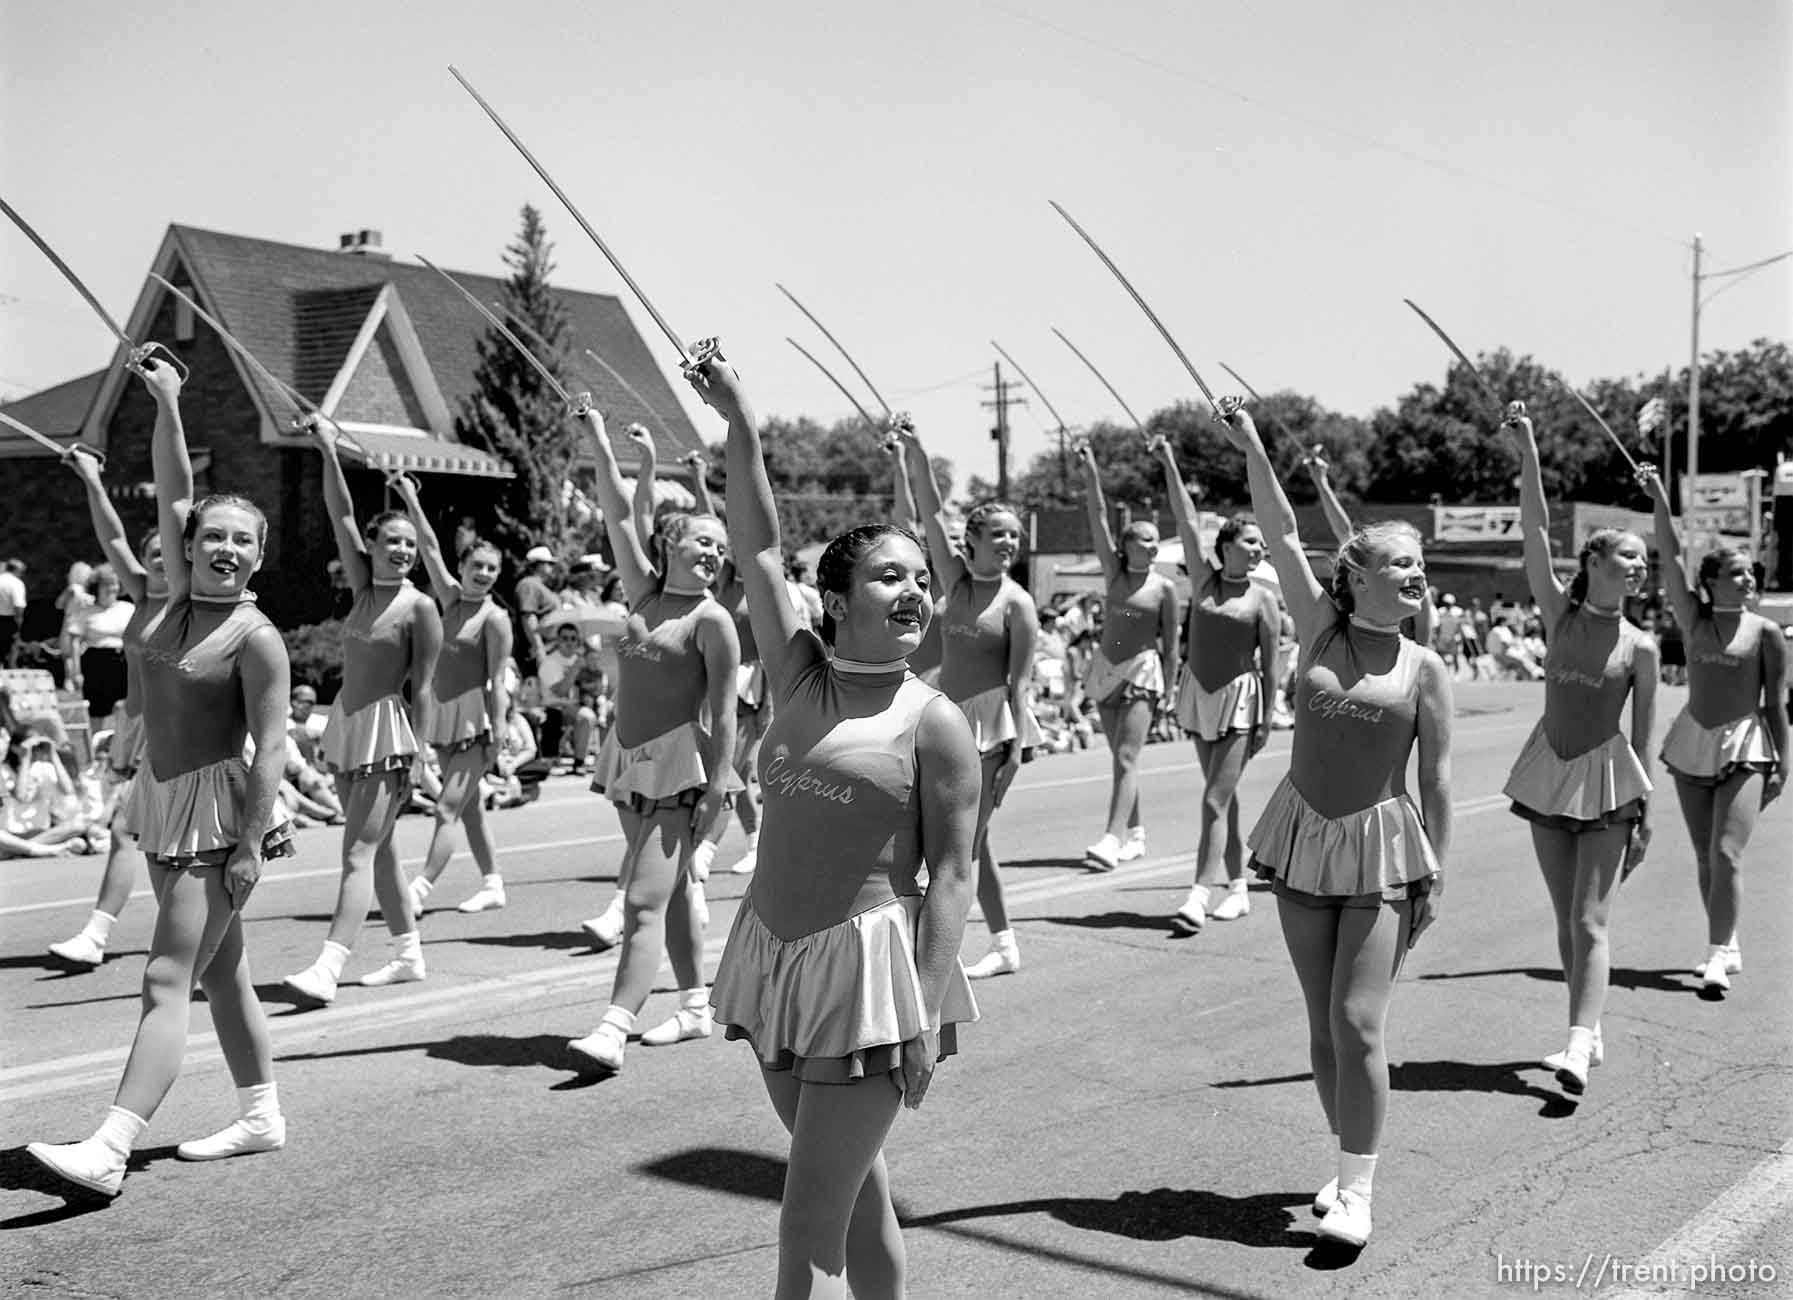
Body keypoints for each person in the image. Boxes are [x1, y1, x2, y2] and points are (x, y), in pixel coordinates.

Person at [688, 343, 978, 1299]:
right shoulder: (798, 676)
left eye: (919, 580)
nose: (912, 594)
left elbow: (955, 877)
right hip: (773, 953)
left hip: (865, 975)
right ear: (838, 598)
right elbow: (758, 546)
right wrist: (742, 421)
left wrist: (928, 1014)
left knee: (807, 1216)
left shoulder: (932, 723)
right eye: (890, 578)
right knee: (858, 1202)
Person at [27, 359, 293, 1196]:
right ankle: (260, 1114)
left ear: (258, 556)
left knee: (166, 976)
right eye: (211, 535)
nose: (222, 548)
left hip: (218, 812)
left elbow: (273, 746)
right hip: (163, 797)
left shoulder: (257, 638)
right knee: (222, 972)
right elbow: (175, 485)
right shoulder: (172, 600)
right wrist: (170, 401)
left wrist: (250, 844)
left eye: (240, 540)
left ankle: (109, 1148)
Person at [1219, 397, 1452, 1250]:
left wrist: (1436, 872)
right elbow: (1281, 531)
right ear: (1354, 577)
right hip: (1303, 836)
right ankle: (1344, 1156)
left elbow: (1435, 776)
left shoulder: (1424, 668)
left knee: (1358, 1023)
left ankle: (1357, 1190)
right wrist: (1249, 443)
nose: (1416, 574)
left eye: (1419, 564)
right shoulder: (1319, 627)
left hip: (1384, 850)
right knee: (1319, 1025)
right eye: (1400, 563)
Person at [567, 413, 739, 1070]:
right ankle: (694, 1005)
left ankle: (612, 1029)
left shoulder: (712, 619)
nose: (711, 554)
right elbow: (614, 507)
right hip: (627, 761)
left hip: (678, 768)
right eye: (700, 542)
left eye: (718, 548)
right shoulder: (639, 591)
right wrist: (600, 442)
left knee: (641, 899)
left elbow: (724, 714)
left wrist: (720, 788)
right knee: (665, 897)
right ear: (667, 545)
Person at [1501, 409, 1656, 1095]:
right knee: (1566, 918)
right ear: (1592, 561)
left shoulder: (1641, 648)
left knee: (1590, 920)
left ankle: (1573, 1044)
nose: (1638, 566)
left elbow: (1643, 736)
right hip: (1546, 777)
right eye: (1627, 555)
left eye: (1643, 561)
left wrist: (1644, 811)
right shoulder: (1557, 616)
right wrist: (1528, 450)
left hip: (1607, 785)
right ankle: (1584, 1030)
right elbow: (1534, 530)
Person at [282, 419, 441, 1005]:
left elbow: (421, 688)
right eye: (390, 541)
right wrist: (326, 446)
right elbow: (340, 511)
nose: (401, 550)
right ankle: (408, 954)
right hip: (348, 724)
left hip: (386, 733)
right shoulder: (363, 591)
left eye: (408, 543)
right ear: (371, 546)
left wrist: (420, 757)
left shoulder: (420, 607)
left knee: (357, 853)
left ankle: (328, 965)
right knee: (381, 851)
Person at [899, 418, 1041, 979]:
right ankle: (1002, 942)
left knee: (964, 843)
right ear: (973, 541)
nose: (1009, 543)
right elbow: (930, 514)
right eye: (999, 534)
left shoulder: (1019, 603)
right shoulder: (954, 582)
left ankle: (944, 953)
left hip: (991, 729)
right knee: (967, 842)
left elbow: (1021, 684)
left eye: (1015, 536)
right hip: (943, 723)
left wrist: (1015, 752)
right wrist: (916, 449)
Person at [1641, 469, 1786, 993]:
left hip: (1747, 744)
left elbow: (1778, 704)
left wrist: (1784, 763)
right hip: (1693, 742)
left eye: (1751, 574)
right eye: (1738, 573)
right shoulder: (1694, 620)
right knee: (1705, 855)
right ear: (1712, 582)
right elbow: (1671, 552)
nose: (1749, 580)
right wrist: (1659, 496)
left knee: (1727, 852)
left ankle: (1717, 954)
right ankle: (1726, 939)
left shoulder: (1766, 632)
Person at [48, 446, 187, 968]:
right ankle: (190, 936)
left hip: (178, 730)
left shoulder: (183, 600)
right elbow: (111, 535)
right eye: (148, 551)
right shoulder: (141, 595)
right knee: (147, 839)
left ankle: (98, 934)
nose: (154, 556)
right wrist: (90, 477)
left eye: (163, 551)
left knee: (131, 831)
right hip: (139, 725)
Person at [1153, 434, 1278, 930]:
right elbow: (1184, 517)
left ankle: (1199, 894)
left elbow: (1272, 667)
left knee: (1213, 799)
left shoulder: (1264, 599)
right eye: (1249, 541)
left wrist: (1267, 719)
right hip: (1199, 694)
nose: (1257, 549)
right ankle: (1240, 889)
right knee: (1222, 796)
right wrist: (1167, 460)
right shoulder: (1205, 580)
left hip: (1241, 703)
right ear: (1225, 546)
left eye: (1259, 544)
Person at [390, 474, 515, 917]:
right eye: (476, 566)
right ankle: (493, 883)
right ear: (462, 567)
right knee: (470, 809)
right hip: (443, 715)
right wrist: (408, 497)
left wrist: (499, 733)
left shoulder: (495, 618)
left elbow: (498, 679)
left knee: (446, 808)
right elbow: (426, 544)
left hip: (474, 722)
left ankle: (418, 889)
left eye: (491, 569)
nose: (483, 574)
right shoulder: (449, 600)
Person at [1074, 441, 1177, 871]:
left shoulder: (1165, 588)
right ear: (1127, 545)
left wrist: (1169, 690)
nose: (1153, 548)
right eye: (1145, 541)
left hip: (1143, 671)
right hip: (1105, 669)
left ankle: (1112, 839)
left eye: (1155, 542)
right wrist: (1091, 469)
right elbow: (1097, 517)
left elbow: (1171, 644)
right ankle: (1136, 833)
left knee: (1127, 757)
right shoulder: (1114, 573)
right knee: (1119, 756)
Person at [63, 564, 134, 730]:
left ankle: (120, 749)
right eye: (106, 584)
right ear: (96, 587)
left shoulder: (128, 608)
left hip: (125, 662)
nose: (111, 588)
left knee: (124, 710)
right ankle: (96, 750)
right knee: (97, 712)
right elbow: (74, 643)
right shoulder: (86, 611)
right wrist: (76, 672)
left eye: (114, 583)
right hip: (96, 664)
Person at [514, 544, 560, 682]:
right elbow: (528, 617)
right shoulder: (528, 584)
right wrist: (539, 649)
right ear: (537, 565)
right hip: (537, 655)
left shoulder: (540, 586)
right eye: (549, 563)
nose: (552, 567)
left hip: (552, 651)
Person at [0, 557, 26, 667]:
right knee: (12, 648)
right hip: (9, 620)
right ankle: (10, 671)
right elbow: (18, 605)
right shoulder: (16, 583)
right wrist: (19, 622)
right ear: (17, 570)